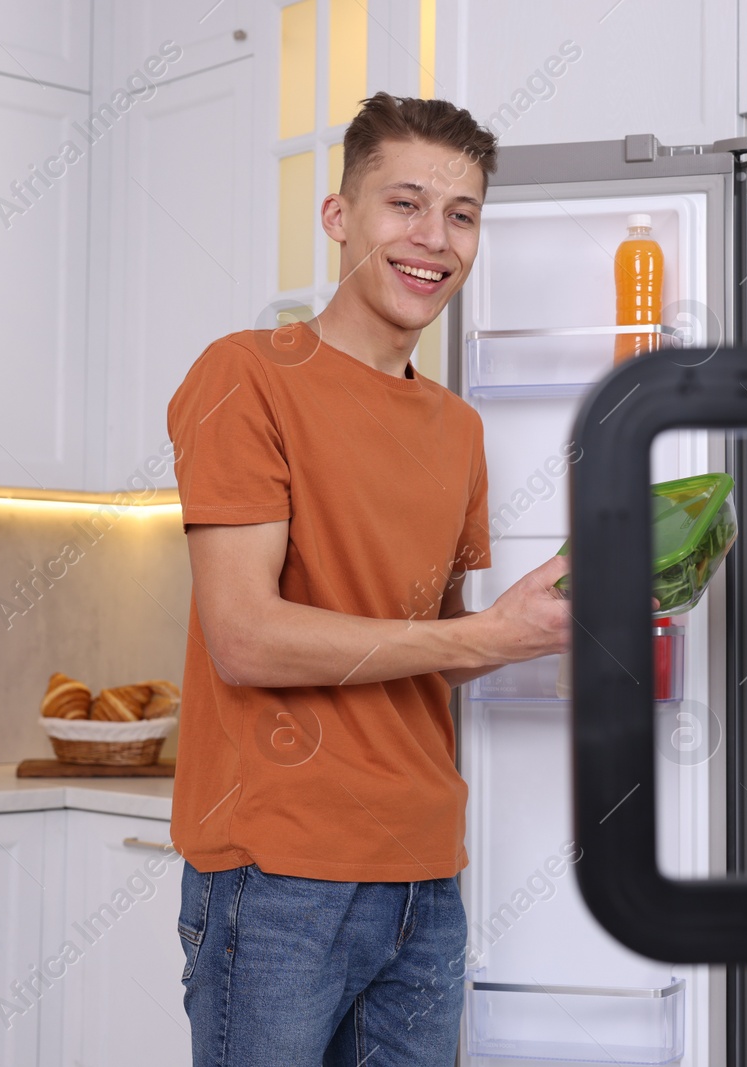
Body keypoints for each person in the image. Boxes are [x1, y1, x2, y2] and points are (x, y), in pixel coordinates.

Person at [165, 92, 571, 1066]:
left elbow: (425, 644)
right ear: (339, 216)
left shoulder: (456, 426)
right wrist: (479, 637)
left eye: (461, 213)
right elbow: (246, 636)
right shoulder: (245, 375)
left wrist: (545, 612)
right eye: (404, 203)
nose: (433, 238)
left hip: (425, 874)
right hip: (278, 873)